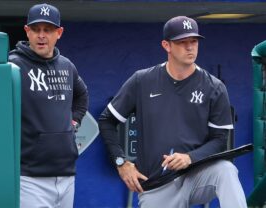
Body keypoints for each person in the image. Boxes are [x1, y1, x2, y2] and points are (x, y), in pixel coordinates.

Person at [98, 16, 247, 207]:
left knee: (226, 170)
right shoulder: (142, 80)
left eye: (193, 41)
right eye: (182, 42)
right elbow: (107, 120)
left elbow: (219, 139)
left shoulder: (214, 87)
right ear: (166, 45)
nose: (190, 47)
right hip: (156, 184)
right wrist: (122, 163)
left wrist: (190, 157)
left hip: (195, 175)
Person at [0, 3, 88, 208]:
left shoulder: (67, 66)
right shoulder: (13, 65)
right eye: (36, 29)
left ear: (59, 33)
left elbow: (82, 95)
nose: (41, 35)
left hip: (66, 174)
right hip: (30, 179)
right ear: (27, 31)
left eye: (48, 30)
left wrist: (73, 120)